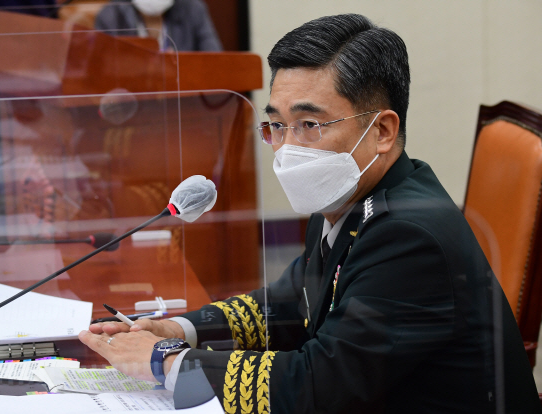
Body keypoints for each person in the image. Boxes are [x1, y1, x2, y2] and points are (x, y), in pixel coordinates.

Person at [79, 14, 541, 413]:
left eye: (310, 125)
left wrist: (163, 360)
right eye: (277, 125)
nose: (287, 149)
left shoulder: (408, 236)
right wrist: (178, 328)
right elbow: (290, 301)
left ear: (382, 130)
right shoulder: (345, 193)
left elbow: (317, 385)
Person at [94, 0, 222, 52]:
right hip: (132, 105)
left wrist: (180, 66)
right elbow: (98, 73)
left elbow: (217, 63)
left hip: (183, 103)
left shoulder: (193, 10)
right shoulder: (110, 16)